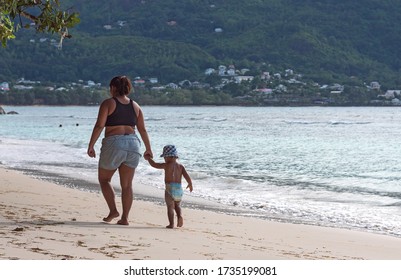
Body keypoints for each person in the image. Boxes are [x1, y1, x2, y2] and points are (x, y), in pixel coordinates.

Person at [87, 75, 153, 225]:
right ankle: (125, 218)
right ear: (128, 89)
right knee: (127, 185)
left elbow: (99, 125)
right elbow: (142, 129)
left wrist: (91, 145)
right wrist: (148, 148)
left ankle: (113, 210)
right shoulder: (136, 106)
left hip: (115, 142)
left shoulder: (108, 103)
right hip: (133, 143)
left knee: (104, 179)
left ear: (113, 88)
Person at [145, 145, 193, 228]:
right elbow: (187, 176)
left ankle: (171, 224)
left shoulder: (166, 165)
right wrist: (190, 184)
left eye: (165, 157)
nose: (164, 159)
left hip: (169, 188)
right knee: (177, 205)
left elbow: (154, 164)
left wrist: (149, 159)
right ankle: (179, 216)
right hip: (179, 189)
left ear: (168, 157)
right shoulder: (181, 166)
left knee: (170, 207)